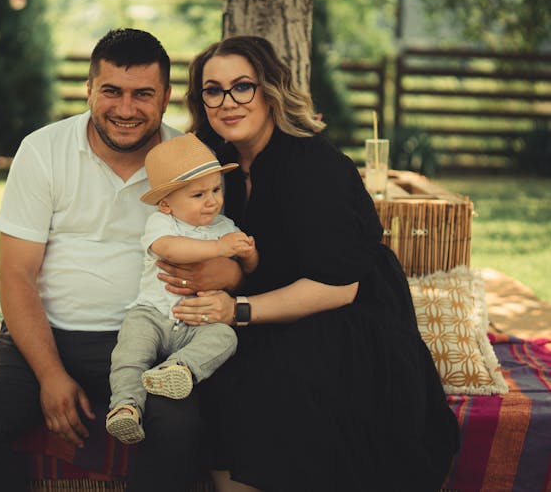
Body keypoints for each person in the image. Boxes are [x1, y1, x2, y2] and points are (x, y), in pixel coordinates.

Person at [0, 28, 243, 492]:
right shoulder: (43, 150)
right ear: (89, 90)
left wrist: (225, 271)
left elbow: (228, 255)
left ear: (165, 98)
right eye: (111, 92)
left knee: (179, 427)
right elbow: (16, 276)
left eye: (143, 94)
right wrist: (50, 375)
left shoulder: (189, 160)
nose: (125, 109)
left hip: (150, 335)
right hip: (47, 331)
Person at [158, 35, 460, 492]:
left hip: (346, 318)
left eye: (243, 86)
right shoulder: (213, 163)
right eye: (212, 90)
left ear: (271, 90)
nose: (227, 102)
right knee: (214, 377)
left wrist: (236, 310)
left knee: (275, 383)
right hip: (268, 306)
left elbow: (338, 287)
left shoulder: (315, 167)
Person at [106, 133, 258, 445]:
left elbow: (248, 271)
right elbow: (171, 250)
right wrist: (219, 248)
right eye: (198, 195)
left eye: (216, 189)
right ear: (166, 203)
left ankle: (179, 370)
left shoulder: (225, 226)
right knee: (130, 353)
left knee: (225, 337)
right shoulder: (163, 225)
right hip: (151, 314)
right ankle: (125, 407)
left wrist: (249, 254)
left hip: (196, 323)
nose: (213, 200)